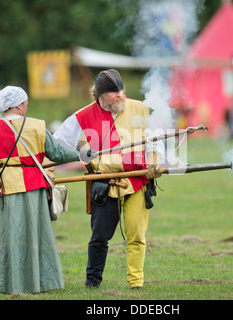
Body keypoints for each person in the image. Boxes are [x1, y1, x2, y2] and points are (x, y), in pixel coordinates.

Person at [53, 69, 163, 290]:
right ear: (101, 95)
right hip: (104, 184)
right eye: (114, 93)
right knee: (99, 237)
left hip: (137, 181)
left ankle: (136, 283)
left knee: (137, 235)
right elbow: (56, 146)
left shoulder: (139, 108)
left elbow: (155, 139)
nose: (120, 96)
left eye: (121, 90)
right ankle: (92, 283)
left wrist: (153, 163)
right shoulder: (82, 116)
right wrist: (54, 167)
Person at [0, 86, 80, 294]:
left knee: (1, 236)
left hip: (2, 189)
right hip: (32, 189)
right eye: (25, 102)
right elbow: (59, 153)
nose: (27, 105)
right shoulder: (36, 126)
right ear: (19, 105)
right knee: (32, 235)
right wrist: (82, 154)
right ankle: (37, 282)